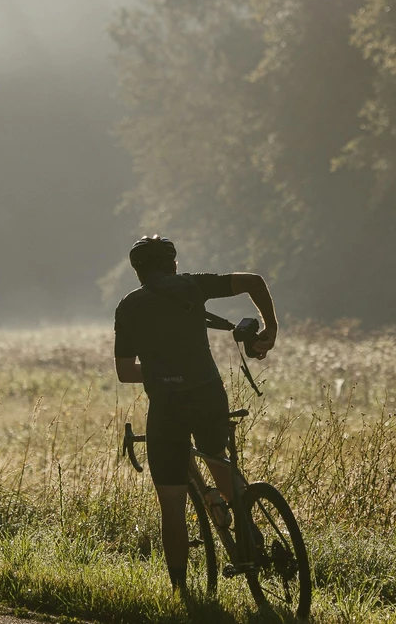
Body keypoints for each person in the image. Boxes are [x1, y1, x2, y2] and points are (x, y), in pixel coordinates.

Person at [113, 235, 278, 590]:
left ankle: (180, 592)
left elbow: (125, 372)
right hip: (207, 394)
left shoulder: (128, 307)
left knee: (172, 503)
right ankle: (249, 532)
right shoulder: (192, 285)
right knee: (216, 456)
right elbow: (253, 281)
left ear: (137, 272)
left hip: (167, 406)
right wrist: (271, 328)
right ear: (173, 264)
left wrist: (161, 371)